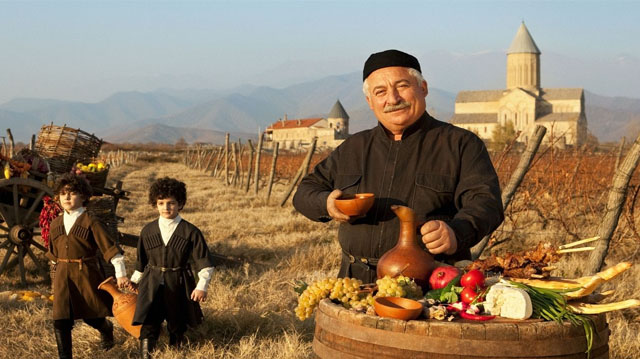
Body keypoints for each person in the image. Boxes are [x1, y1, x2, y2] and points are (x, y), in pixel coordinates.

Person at [293, 49, 504, 284]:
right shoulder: (353, 147)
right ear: (370, 102)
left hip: (432, 286)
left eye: (402, 86)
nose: (392, 99)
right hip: (355, 283)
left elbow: (486, 203)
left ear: (422, 88)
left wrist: (456, 231)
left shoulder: (460, 144)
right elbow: (304, 192)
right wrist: (327, 203)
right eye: (380, 92)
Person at [46, 173, 131, 359]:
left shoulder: (90, 221)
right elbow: (53, 256)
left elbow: (110, 249)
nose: (67, 197)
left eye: (72, 193)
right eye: (63, 193)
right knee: (60, 320)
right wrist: (54, 280)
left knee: (91, 315)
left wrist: (121, 274)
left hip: (86, 274)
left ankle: (106, 329)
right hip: (62, 275)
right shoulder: (55, 223)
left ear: (83, 196)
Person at [129, 177, 215, 358]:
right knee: (149, 321)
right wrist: (135, 280)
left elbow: (204, 262)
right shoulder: (148, 230)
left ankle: (175, 352)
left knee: (177, 323)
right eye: (161, 203)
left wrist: (201, 286)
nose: (166, 208)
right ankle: (146, 355)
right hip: (151, 283)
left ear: (180, 204)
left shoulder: (190, 231)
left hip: (179, 283)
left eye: (171, 203)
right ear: (155, 204)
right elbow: (140, 260)